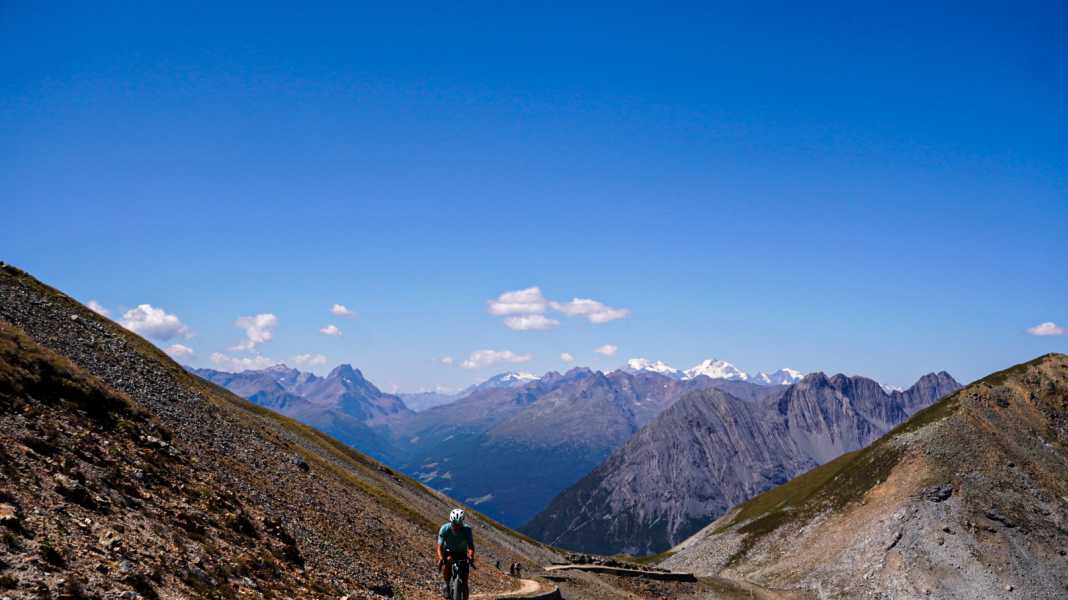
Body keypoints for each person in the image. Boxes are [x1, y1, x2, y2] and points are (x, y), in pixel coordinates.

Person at [437, 508, 475, 599]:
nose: (457, 526)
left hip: (462, 553)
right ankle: (446, 584)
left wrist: (470, 555)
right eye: (455, 523)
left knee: (465, 581)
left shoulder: (467, 530)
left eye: (459, 524)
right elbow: (439, 547)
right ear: (451, 521)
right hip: (449, 552)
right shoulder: (444, 529)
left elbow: (471, 546)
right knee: (449, 561)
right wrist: (441, 558)